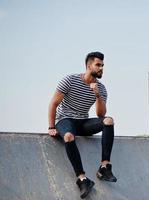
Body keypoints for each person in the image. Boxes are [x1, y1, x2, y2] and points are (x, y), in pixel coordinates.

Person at [48, 52, 117, 199]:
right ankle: (82, 179)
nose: (101, 68)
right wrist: (51, 126)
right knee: (68, 136)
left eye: (103, 65)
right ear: (88, 66)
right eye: (98, 65)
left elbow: (100, 114)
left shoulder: (101, 88)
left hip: (83, 122)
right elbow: (53, 103)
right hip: (65, 120)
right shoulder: (70, 80)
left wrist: (97, 95)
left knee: (108, 120)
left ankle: (104, 167)